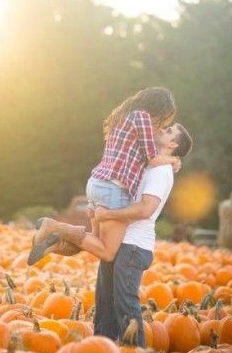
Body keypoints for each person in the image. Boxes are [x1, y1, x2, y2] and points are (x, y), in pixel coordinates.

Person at [28, 123, 193, 347]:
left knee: (126, 305)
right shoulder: (151, 163)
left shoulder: (161, 173)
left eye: (170, 130)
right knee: (104, 304)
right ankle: (101, 351)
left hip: (133, 246)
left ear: (173, 144)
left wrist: (108, 214)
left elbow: (145, 210)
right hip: (119, 237)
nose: (163, 129)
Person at [28, 86, 177, 265]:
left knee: (93, 241)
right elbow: (151, 158)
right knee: (107, 252)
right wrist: (173, 160)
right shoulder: (142, 117)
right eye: (163, 119)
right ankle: (54, 226)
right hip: (113, 189)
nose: (160, 125)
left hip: (97, 184)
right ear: (159, 109)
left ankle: (52, 243)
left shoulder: (123, 116)